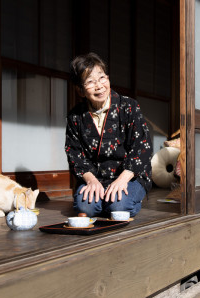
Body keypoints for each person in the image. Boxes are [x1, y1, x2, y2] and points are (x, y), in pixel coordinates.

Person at [65, 52, 152, 218]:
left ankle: (124, 200)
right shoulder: (75, 116)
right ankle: (106, 200)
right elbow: (74, 153)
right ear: (81, 90)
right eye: (90, 82)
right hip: (96, 178)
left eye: (102, 78)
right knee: (85, 207)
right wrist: (91, 181)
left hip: (129, 176)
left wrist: (122, 180)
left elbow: (142, 146)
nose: (99, 86)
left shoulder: (129, 106)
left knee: (119, 206)